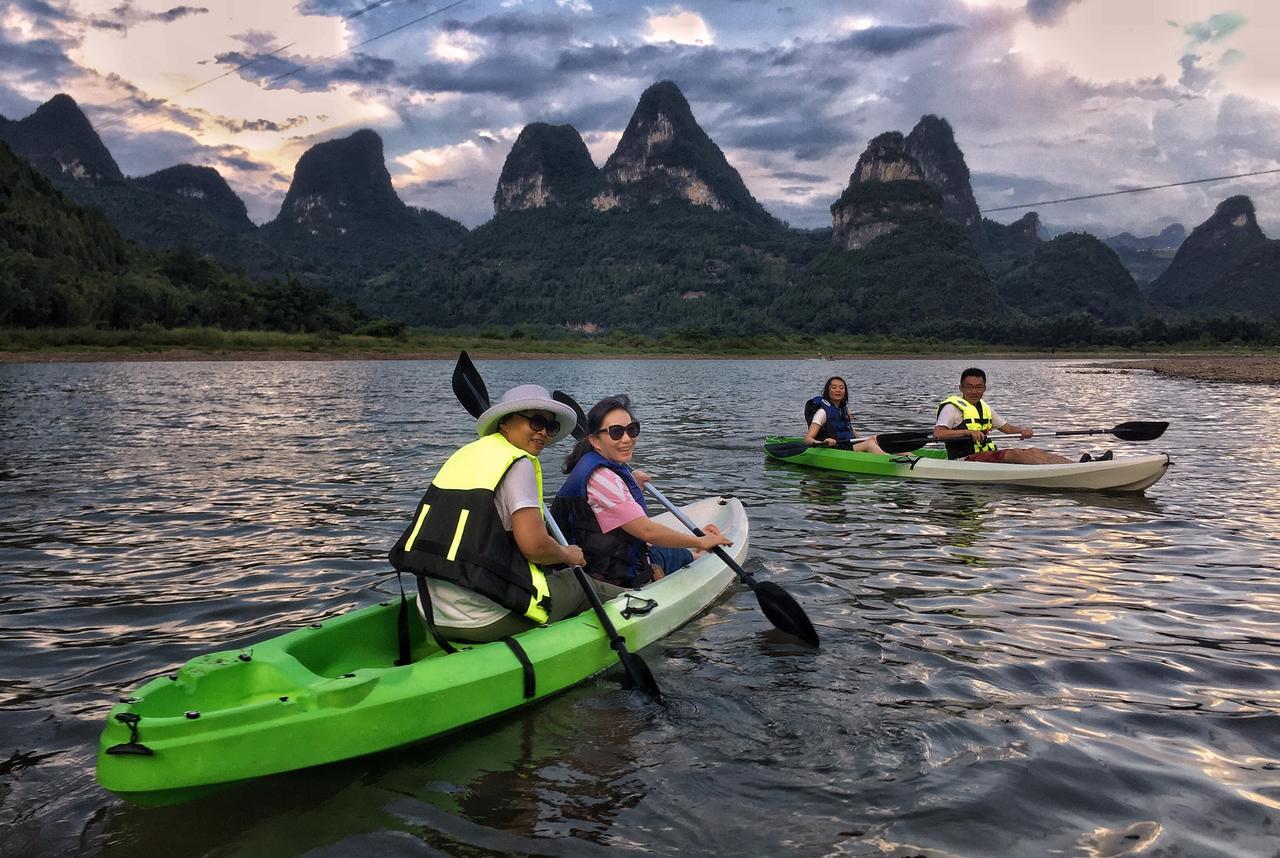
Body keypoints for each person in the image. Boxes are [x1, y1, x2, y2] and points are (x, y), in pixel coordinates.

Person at [388, 384, 627, 644]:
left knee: (548, 570)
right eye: (536, 422)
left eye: (550, 427)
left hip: (433, 613)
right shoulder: (519, 464)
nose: (543, 433)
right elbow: (534, 547)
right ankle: (647, 600)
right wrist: (568, 554)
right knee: (578, 584)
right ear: (505, 423)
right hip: (481, 619)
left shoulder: (465, 455)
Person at [552, 395, 732, 588]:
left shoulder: (594, 466)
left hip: (603, 558)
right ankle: (698, 553)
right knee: (672, 554)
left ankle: (695, 550)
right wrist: (702, 542)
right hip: (610, 574)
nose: (627, 439)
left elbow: (600, 506)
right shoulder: (603, 479)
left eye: (632, 430)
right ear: (595, 441)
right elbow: (647, 532)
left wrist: (630, 481)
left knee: (667, 551)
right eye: (616, 432)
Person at [933, 368, 1074, 465]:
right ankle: (1053, 471)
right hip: (963, 460)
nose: (974, 391)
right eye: (969, 387)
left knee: (1034, 451)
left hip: (985, 457)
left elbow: (1006, 428)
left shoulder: (984, 408)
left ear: (984, 388)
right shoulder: (951, 408)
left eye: (978, 387)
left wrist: (1021, 430)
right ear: (961, 388)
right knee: (1016, 454)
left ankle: (1075, 465)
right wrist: (968, 432)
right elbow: (939, 433)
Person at [803, 376, 886, 454]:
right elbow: (808, 439)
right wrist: (822, 443)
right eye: (834, 387)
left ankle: (896, 456)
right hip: (833, 449)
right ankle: (891, 462)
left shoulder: (844, 410)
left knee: (875, 439)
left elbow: (850, 431)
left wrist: (866, 439)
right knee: (869, 444)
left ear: (845, 391)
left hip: (846, 446)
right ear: (828, 391)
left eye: (841, 388)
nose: (838, 390)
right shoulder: (822, 412)